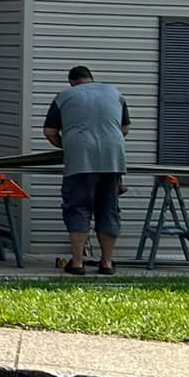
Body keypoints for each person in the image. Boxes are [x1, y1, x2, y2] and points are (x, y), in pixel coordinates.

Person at [44, 65, 131, 277]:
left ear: (72, 82)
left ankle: (77, 263)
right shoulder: (114, 93)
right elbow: (125, 129)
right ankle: (107, 263)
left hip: (80, 160)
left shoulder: (64, 96)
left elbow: (49, 132)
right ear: (92, 79)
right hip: (113, 160)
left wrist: (67, 146)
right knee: (108, 209)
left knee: (78, 208)